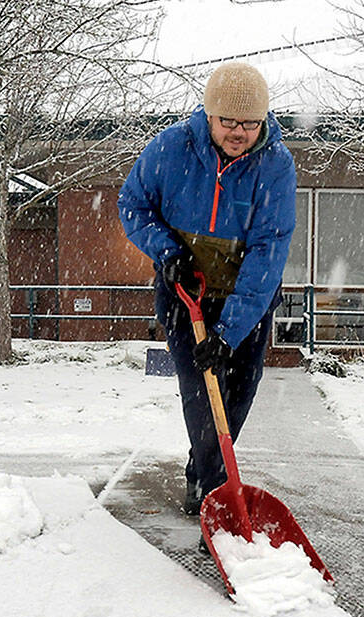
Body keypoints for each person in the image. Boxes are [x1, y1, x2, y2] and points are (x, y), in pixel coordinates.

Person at [118, 61, 297, 517]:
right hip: (184, 294)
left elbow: (269, 249)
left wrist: (229, 331)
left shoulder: (274, 164)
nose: (240, 132)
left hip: (246, 298)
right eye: (229, 121)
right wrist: (166, 251)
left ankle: (206, 473)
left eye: (251, 123)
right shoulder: (170, 149)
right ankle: (212, 490)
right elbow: (133, 205)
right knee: (200, 395)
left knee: (237, 393)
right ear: (209, 114)